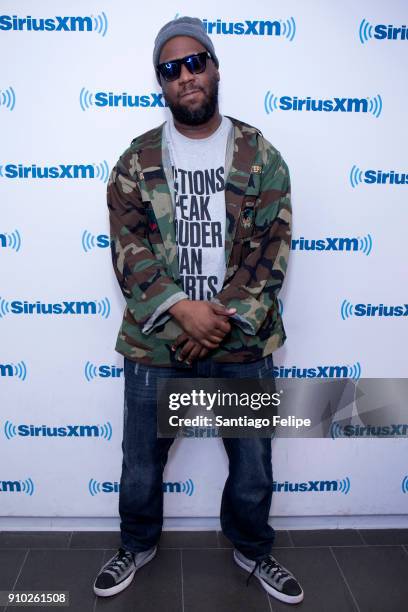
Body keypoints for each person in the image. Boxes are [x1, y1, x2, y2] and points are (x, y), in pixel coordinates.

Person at [93, 16, 303, 605]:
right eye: (170, 68)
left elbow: (271, 248)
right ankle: (136, 543)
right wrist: (183, 311)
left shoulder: (261, 156)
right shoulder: (135, 161)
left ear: (213, 67)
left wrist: (217, 320)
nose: (185, 75)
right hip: (157, 343)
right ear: (160, 82)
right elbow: (128, 250)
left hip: (240, 342)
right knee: (140, 465)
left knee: (253, 465)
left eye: (195, 62)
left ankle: (254, 549)